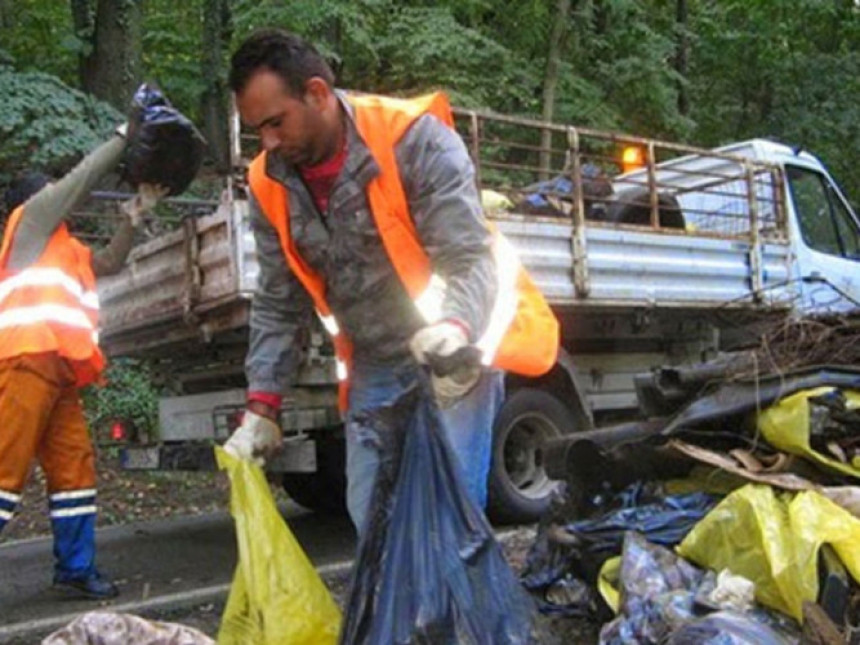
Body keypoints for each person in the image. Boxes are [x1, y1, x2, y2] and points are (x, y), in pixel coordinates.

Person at [224, 29, 559, 536]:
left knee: (446, 521)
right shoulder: (269, 181)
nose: (268, 142)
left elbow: (467, 257)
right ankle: (397, 616)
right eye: (257, 130)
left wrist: (454, 327)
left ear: (317, 93)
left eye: (276, 122)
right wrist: (262, 406)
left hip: (455, 352)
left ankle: (451, 615)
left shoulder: (413, 139)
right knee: (373, 520)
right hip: (376, 359)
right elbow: (278, 300)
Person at [0, 130, 164, 599]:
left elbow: (110, 261)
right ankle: (73, 565)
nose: (62, 199)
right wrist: (124, 138)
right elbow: (81, 179)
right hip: (25, 362)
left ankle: (75, 568)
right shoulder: (28, 223)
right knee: (4, 476)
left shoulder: (65, 248)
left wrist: (135, 215)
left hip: (59, 375)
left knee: (75, 470)